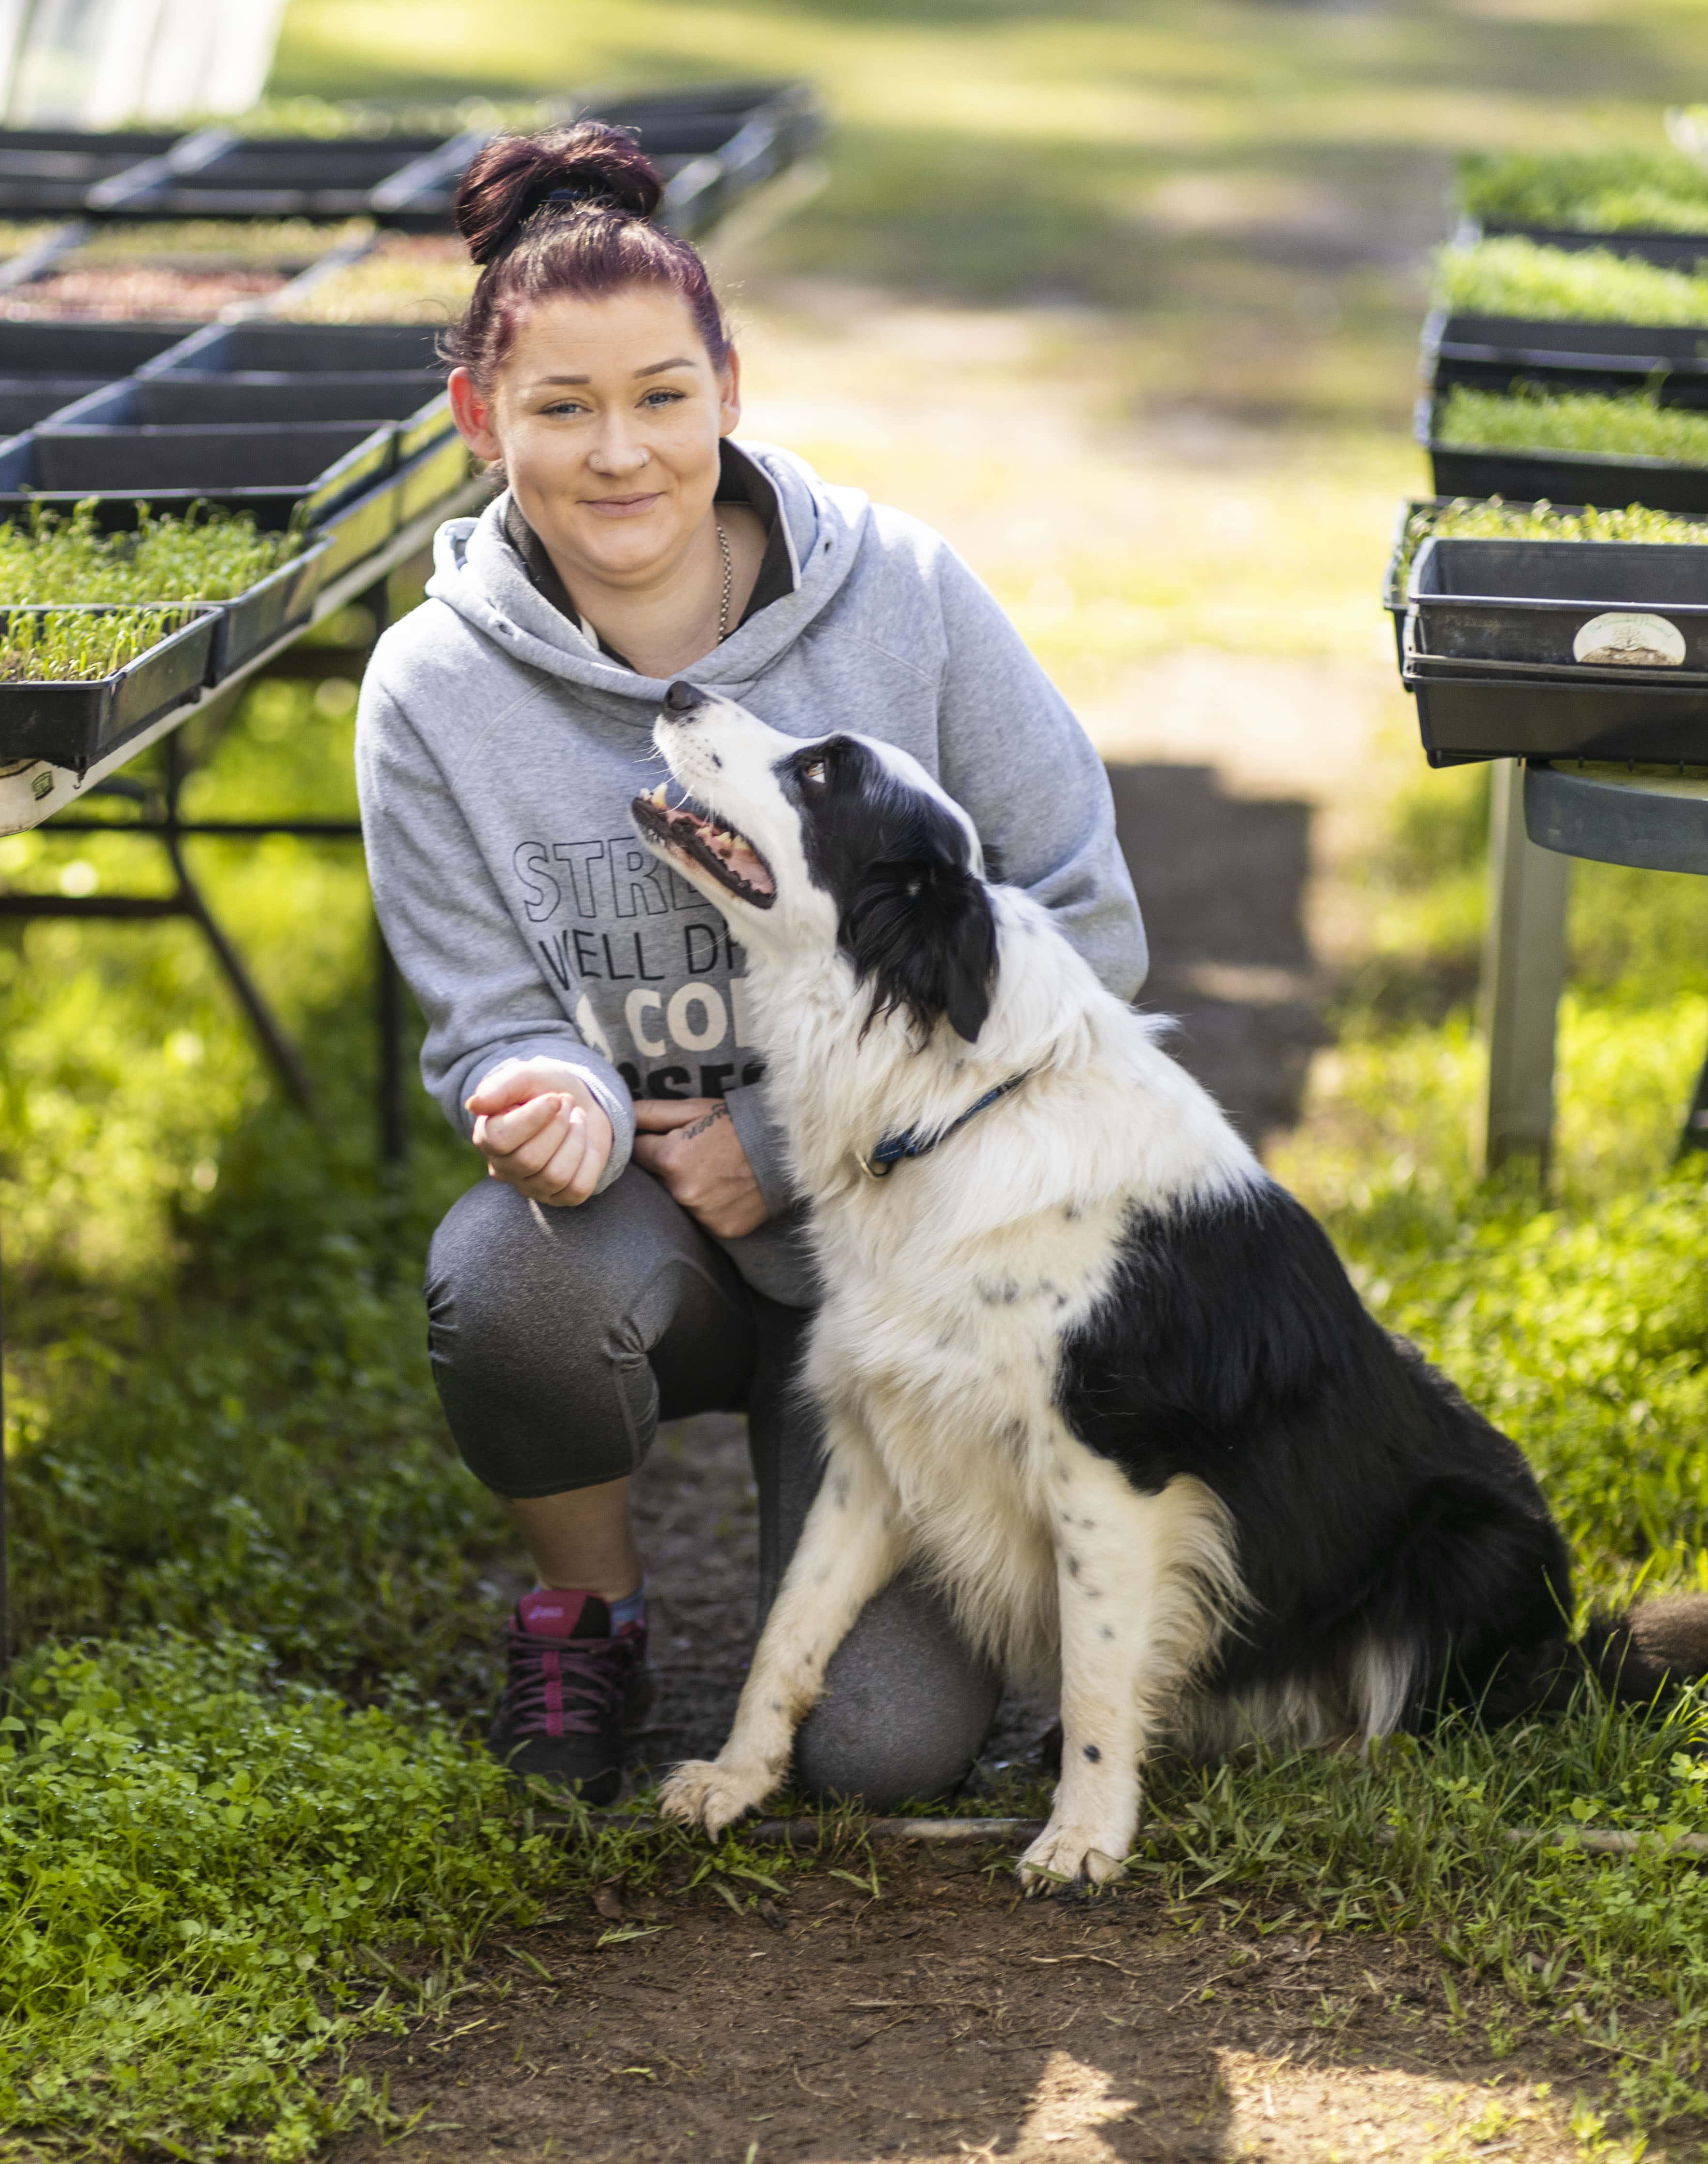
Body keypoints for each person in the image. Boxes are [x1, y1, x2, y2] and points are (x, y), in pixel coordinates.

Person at [356, 121, 1150, 1807]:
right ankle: (592, 1615)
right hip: (639, 1231)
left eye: (660, 396)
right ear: (479, 421)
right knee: (505, 1284)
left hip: (908, 1260)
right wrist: (543, 1095)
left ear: (730, 384)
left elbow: (1086, 920)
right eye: (560, 409)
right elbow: (491, 1011)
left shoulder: (908, 598)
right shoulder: (430, 691)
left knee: (887, 1754)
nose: (619, 454)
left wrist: (789, 1150)